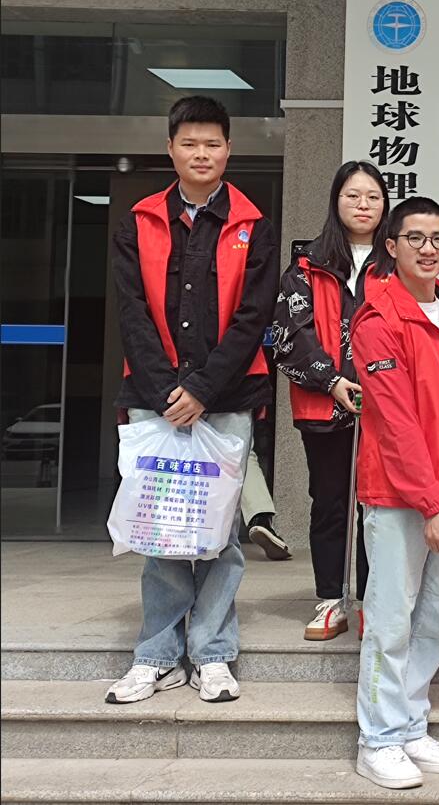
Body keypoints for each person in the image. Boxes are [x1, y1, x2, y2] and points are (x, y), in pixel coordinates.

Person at [105, 96, 276, 704]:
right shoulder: (139, 221)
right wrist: (166, 390)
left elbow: (254, 317)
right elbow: (131, 312)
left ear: (228, 150)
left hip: (226, 398)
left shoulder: (254, 224)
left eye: (212, 144)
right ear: (170, 148)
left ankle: (212, 653)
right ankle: (156, 655)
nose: (201, 153)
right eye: (190, 143)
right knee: (161, 528)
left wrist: (202, 389)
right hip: (155, 397)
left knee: (220, 530)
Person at [352, 196, 439, 790]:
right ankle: (377, 739)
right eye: (415, 238)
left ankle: (410, 725)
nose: (428, 248)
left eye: (438, 238)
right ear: (391, 246)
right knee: (391, 620)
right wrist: (431, 503)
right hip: (403, 496)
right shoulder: (378, 320)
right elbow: (396, 423)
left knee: (434, 618)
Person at [272, 161, 390, 641]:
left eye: (373, 197)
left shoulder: (398, 261)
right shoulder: (307, 264)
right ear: (335, 201)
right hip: (325, 402)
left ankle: (374, 599)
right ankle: (331, 599)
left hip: (387, 407)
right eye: (352, 196)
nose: (363, 205)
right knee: (329, 502)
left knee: (379, 506)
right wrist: (332, 380)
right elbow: (289, 334)